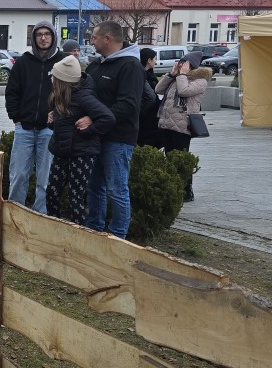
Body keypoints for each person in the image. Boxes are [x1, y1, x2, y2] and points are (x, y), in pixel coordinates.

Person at [78, 21, 144, 239]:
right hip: (95, 136)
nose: (91, 41)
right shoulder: (96, 65)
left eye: (94, 37)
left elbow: (127, 105)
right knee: (94, 185)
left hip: (118, 138)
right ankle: (94, 229)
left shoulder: (130, 66)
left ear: (107, 38)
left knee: (117, 189)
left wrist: (95, 118)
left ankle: (117, 236)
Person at [4, 21, 68, 214]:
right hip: (24, 129)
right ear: (33, 38)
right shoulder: (23, 62)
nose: (43, 38)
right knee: (18, 176)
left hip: (49, 130)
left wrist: (59, 117)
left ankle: (41, 216)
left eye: (47, 34)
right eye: (39, 34)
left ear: (53, 37)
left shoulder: (62, 62)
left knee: (45, 178)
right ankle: (15, 215)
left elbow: (72, 93)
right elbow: (12, 92)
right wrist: (16, 117)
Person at [45, 56, 115, 224]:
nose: (51, 79)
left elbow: (108, 118)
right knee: (52, 193)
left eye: (54, 76)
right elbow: (64, 124)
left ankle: (79, 233)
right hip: (62, 151)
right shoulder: (60, 95)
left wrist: (87, 130)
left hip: (82, 154)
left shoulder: (84, 97)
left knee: (76, 198)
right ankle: (53, 229)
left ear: (63, 81)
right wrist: (52, 122)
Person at [155, 51, 211, 202]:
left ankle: (186, 191)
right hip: (166, 122)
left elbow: (184, 91)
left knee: (181, 158)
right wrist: (171, 75)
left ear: (190, 65)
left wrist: (181, 75)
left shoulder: (200, 81)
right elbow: (158, 90)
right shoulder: (178, 78)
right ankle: (173, 189)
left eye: (183, 63)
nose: (179, 65)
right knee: (169, 157)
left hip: (182, 125)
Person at [138, 47, 162, 148]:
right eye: (154, 59)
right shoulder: (141, 76)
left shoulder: (150, 75)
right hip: (145, 115)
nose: (155, 62)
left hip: (152, 115)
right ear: (149, 60)